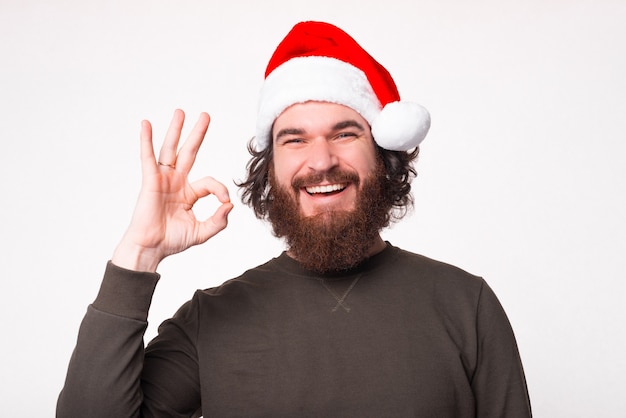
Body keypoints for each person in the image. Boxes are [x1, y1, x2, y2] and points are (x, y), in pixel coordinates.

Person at [57, 21, 532, 417]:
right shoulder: (212, 318)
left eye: (344, 133)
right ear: (271, 170)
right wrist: (139, 254)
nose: (321, 161)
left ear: (383, 156)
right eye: (295, 139)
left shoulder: (466, 305)